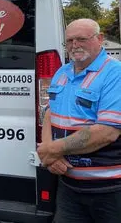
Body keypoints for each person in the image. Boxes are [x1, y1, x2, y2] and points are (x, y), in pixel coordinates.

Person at [37, 18, 121, 223]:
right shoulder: (62, 72)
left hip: (110, 190)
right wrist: (50, 154)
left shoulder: (115, 73)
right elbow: (50, 112)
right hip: (69, 187)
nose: (75, 45)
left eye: (82, 39)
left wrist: (54, 149)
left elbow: (107, 131)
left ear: (100, 39)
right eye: (70, 40)